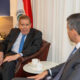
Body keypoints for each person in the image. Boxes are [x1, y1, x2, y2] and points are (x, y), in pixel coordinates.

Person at [12, 13, 80, 80]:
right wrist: (48, 71)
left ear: (73, 31)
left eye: (67, 29)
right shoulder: (77, 49)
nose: (67, 32)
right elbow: (68, 64)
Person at [0, 15, 42, 80]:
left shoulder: (36, 34)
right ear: (19, 25)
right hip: (9, 53)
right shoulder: (14, 31)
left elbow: (35, 47)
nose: (24, 27)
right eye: (22, 25)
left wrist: (18, 55)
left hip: (22, 56)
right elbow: (4, 42)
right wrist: (1, 52)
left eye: (27, 25)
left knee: (8, 64)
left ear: (30, 25)